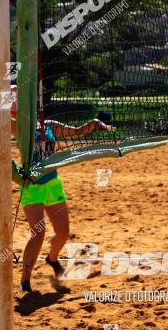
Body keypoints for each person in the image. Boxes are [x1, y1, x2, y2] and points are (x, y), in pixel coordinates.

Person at [10, 87, 114, 294]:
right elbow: (0, 116)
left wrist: (94, 124)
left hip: (53, 183)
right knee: (38, 233)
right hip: (32, 185)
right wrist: (12, 93)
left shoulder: (49, 125)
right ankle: (25, 280)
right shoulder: (19, 127)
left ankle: (52, 258)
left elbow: (77, 132)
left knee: (63, 233)